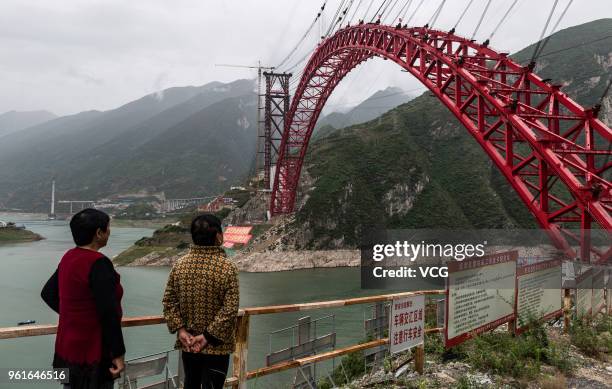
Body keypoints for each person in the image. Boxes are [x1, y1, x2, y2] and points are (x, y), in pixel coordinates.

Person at [41, 209, 125, 389]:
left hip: (68, 345)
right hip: (92, 348)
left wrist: (75, 315)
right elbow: (108, 312)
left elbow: (48, 293)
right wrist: (118, 353)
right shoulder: (98, 263)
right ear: (98, 233)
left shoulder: (69, 257)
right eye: (108, 228)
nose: (109, 232)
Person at [162, 214, 239, 389]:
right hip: (217, 346)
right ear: (219, 236)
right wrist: (206, 337)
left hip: (188, 344)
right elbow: (230, 309)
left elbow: (168, 301)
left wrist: (181, 330)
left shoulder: (180, 265)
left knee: (190, 383)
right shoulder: (227, 267)